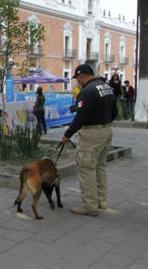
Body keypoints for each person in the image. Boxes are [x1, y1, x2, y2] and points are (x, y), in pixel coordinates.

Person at [62, 64, 117, 217]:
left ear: (81, 76)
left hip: (91, 134)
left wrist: (68, 134)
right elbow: (115, 112)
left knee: (87, 169)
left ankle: (89, 206)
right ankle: (101, 201)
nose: (78, 82)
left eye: (77, 78)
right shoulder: (106, 87)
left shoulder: (86, 91)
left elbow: (81, 116)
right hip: (106, 131)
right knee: (100, 166)